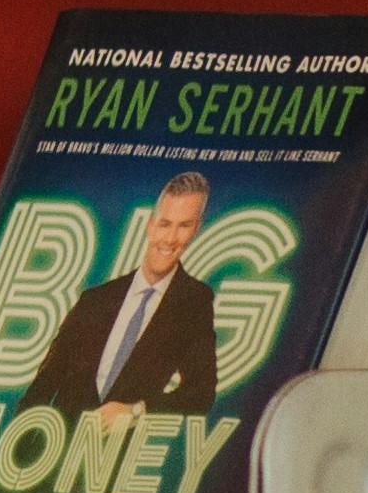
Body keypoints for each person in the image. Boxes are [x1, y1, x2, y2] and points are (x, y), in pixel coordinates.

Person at [28, 169, 227, 415]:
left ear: (196, 228)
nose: (171, 238)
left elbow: (200, 394)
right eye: (165, 224)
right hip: (58, 444)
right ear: (150, 226)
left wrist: (135, 411)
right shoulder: (94, 299)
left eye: (184, 226)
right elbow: (44, 384)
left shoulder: (194, 302)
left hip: (123, 449)